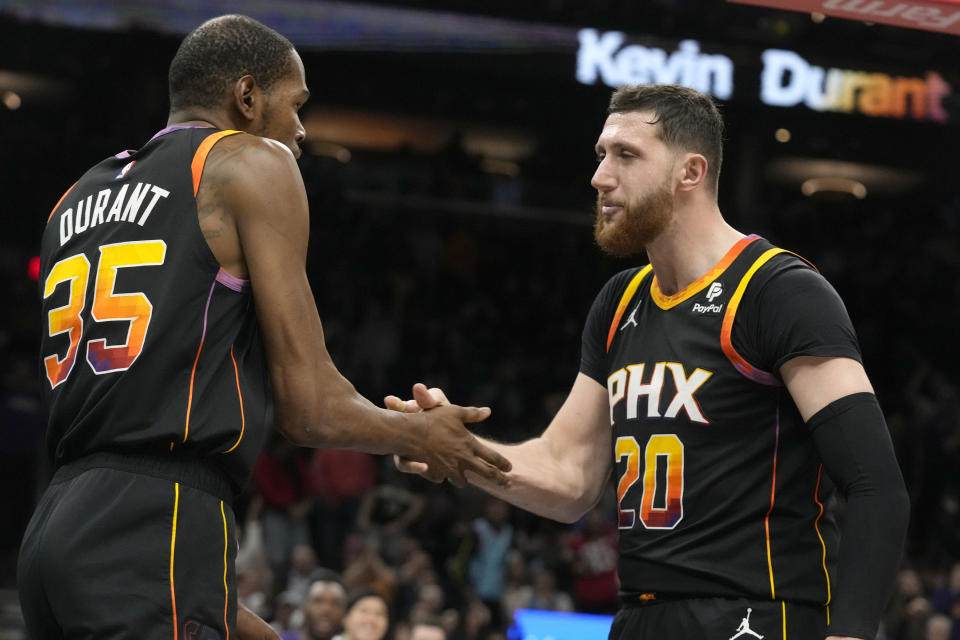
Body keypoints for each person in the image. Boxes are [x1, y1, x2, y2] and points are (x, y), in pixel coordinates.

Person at [18, 13, 511, 640]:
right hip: (155, 517)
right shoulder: (248, 161)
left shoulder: (73, 199)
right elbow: (309, 407)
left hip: (58, 524)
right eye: (296, 104)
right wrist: (421, 436)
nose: (302, 130)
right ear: (247, 97)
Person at [388, 84, 910, 639]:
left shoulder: (778, 291)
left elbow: (877, 485)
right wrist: (455, 446)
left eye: (626, 155)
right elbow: (568, 476)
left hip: (757, 613)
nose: (600, 176)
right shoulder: (619, 301)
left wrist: (851, 634)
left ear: (690, 172)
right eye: (601, 155)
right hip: (640, 615)